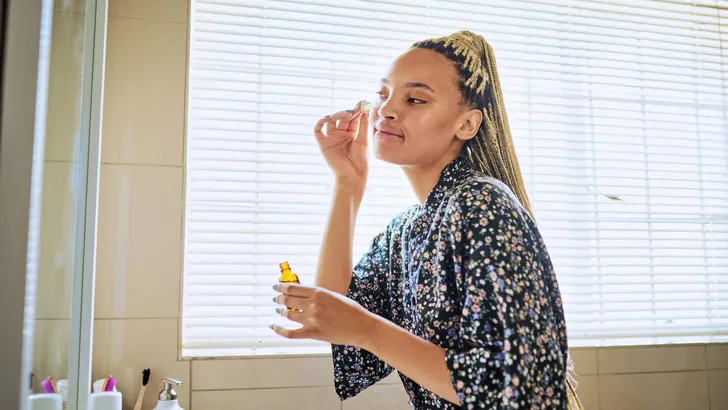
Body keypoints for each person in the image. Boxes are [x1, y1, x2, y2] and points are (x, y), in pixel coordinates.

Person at [271, 30, 582, 410]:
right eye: (383, 94)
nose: (386, 110)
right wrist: (348, 183)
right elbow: (335, 316)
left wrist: (367, 329)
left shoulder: (483, 204)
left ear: (466, 124)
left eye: (415, 99)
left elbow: (516, 388)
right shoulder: (404, 232)